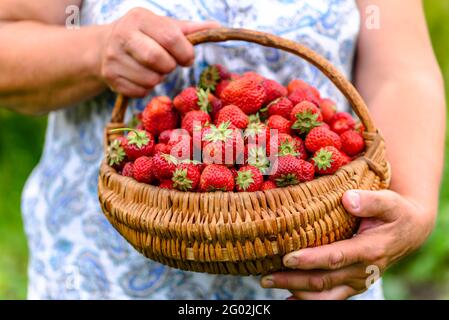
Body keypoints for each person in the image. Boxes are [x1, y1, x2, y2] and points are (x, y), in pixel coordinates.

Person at [0, 0, 444, 300]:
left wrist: (407, 208)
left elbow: (402, 74)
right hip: (104, 270)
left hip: (317, 267)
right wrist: (94, 50)